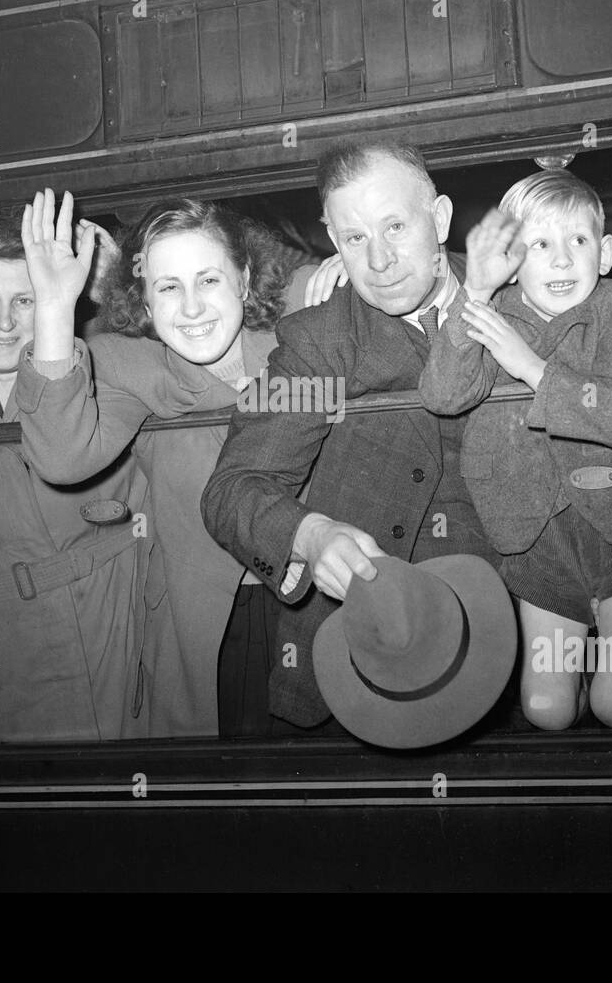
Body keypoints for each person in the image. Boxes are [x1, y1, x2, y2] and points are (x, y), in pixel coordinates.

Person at [201, 142, 507, 735]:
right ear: (333, 243)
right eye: (356, 238)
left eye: (395, 226)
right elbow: (233, 490)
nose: (381, 261)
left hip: (501, 655)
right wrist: (310, 537)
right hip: (356, 671)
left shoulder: (520, 300)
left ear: (439, 219)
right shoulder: (320, 342)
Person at [16, 190, 316, 737]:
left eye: (208, 280)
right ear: (147, 303)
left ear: (244, 281)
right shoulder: (133, 367)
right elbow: (59, 458)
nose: (193, 307)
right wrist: (56, 308)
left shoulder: (306, 341)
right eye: (169, 288)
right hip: (210, 633)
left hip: (321, 607)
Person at [418, 170, 612, 729]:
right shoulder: (490, 312)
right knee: (547, 711)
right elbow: (443, 396)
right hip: (537, 539)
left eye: (578, 241)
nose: (562, 260)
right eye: (540, 244)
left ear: (605, 252)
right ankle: (579, 700)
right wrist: (479, 293)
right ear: (512, 258)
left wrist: (532, 369)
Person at [0, 211, 154, 743]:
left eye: (25, 300)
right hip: (7, 660)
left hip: (116, 634)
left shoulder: (105, 365)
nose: (5, 322)